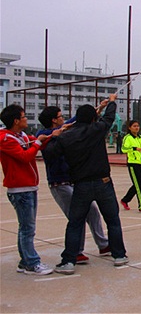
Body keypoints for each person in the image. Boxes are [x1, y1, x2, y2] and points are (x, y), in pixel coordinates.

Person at [44, 94, 128, 275]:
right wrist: (112, 102)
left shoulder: (66, 137)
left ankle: (68, 262)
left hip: (80, 185)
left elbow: (49, 154)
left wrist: (54, 136)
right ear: (92, 118)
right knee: (112, 220)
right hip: (103, 183)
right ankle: (119, 255)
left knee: (75, 223)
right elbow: (109, 118)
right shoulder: (96, 129)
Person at [37, 106, 110, 263]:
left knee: (92, 211)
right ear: (53, 120)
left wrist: (99, 108)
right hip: (58, 184)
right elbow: (47, 138)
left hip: (71, 181)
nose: (63, 118)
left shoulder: (65, 131)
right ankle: (76, 251)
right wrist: (59, 132)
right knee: (76, 216)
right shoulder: (43, 135)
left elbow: (75, 121)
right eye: (60, 116)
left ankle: (103, 245)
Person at [0, 104, 59, 275]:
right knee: (27, 228)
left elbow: (39, 140)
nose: (26, 119)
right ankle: (31, 263)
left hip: (29, 187)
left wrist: (51, 135)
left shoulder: (21, 135)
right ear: (16, 120)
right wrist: (39, 141)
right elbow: (25, 157)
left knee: (26, 228)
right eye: (24, 116)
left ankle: (25, 261)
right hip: (20, 190)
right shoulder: (6, 139)